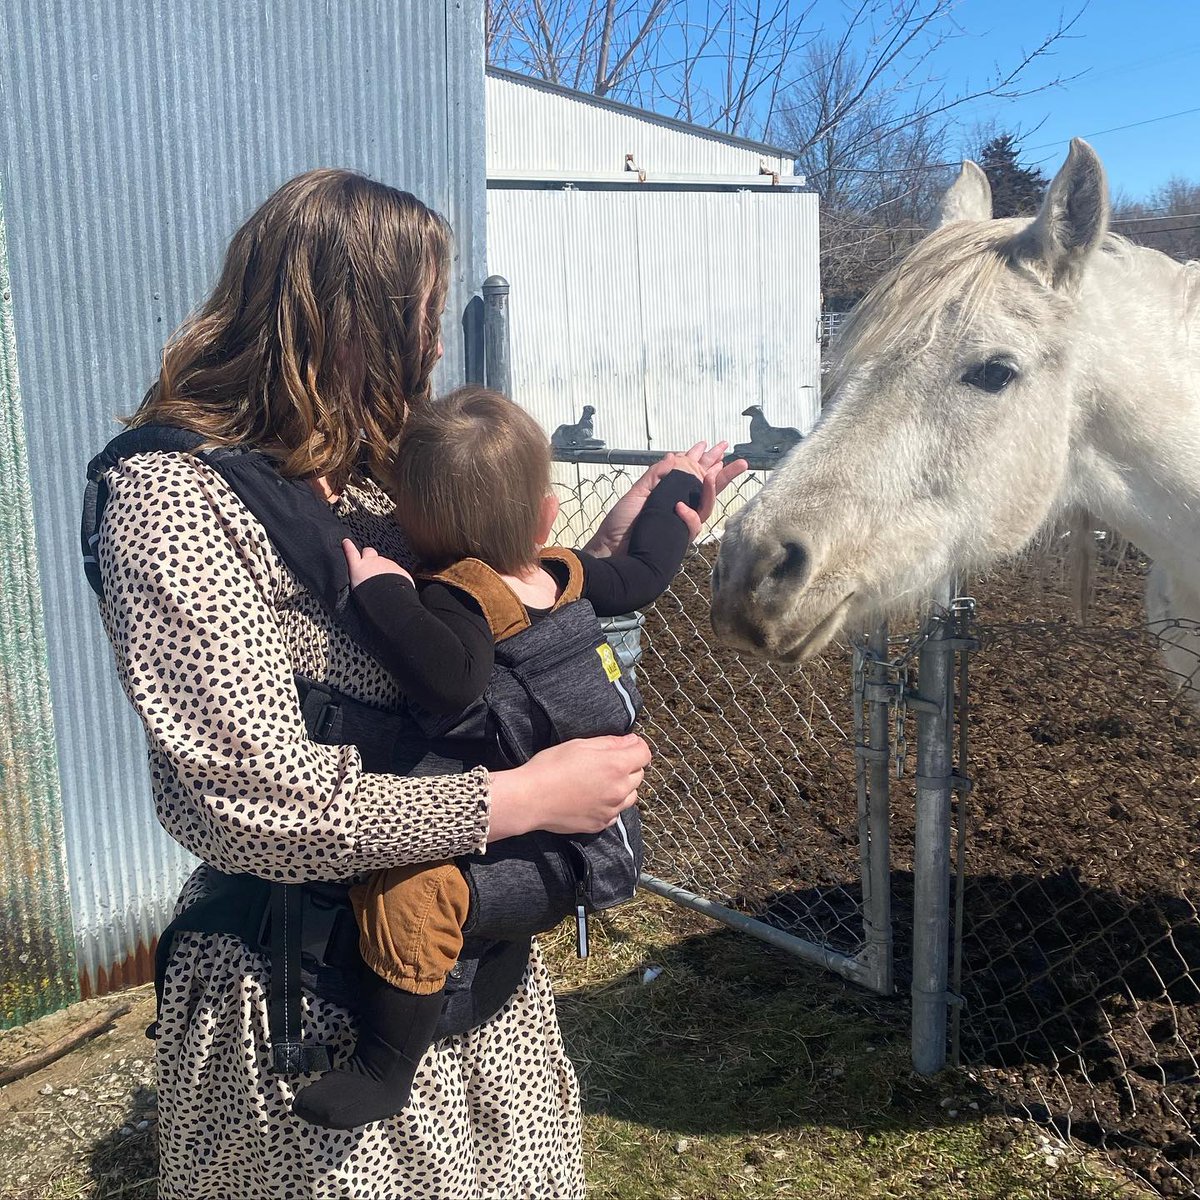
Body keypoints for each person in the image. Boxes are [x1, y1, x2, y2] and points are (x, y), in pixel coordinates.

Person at [89, 166, 745, 1199]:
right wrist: (525, 799)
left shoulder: (364, 468)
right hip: (311, 999)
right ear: (342, 320)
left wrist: (605, 551)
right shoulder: (171, 500)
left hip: (465, 975)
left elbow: (469, 633)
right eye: (420, 314)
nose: (435, 345)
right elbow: (253, 802)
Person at [291, 386, 705, 1129]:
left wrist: (382, 593)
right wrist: (678, 494)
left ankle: (386, 1067)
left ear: (412, 528)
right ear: (547, 515)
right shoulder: (560, 572)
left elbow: (450, 681)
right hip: (596, 842)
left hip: (543, 854)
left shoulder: (458, 597)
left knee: (408, 892)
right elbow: (646, 571)